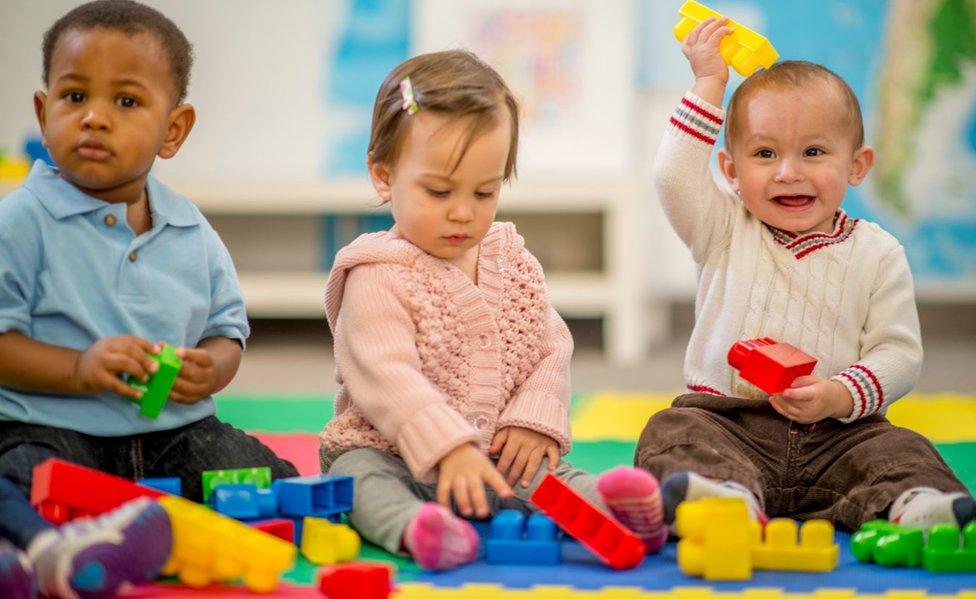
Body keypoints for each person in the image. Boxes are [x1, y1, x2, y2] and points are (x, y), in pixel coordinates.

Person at [319, 49, 667, 571]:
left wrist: (533, 419)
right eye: (439, 191)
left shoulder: (512, 260)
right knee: (358, 482)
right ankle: (418, 531)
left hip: (495, 451)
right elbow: (387, 378)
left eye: (485, 191)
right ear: (384, 176)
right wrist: (447, 448)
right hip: (389, 451)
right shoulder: (376, 274)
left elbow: (549, 344)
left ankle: (621, 512)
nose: (463, 211)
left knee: (548, 479)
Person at [0, 2, 297, 596]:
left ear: (174, 130)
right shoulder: (21, 221)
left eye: (126, 102)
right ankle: (45, 550)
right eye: (75, 97)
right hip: (53, 431)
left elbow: (227, 331)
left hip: (172, 434)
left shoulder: (192, 231)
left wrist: (210, 368)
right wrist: (81, 369)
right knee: (11, 476)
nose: (95, 119)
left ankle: (121, 537)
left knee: (280, 481)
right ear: (43, 109)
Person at [638, 17, 974, 533]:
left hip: (840, 434)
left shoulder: (878, 253)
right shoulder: (723, 227)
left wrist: (840, 394)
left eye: (813, 152)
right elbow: (672, 176)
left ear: (857, 166)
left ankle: (915, 504)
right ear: (731, 171)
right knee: (672, 430)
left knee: (904, 449)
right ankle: (724, 499)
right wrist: (709, 84)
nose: (788, 172)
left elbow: (900, 354)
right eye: (765, 154)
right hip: (729, 424)